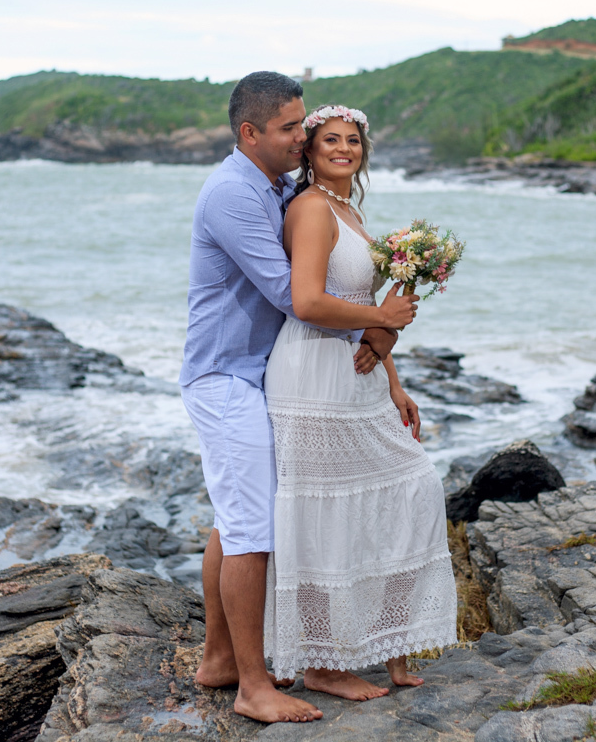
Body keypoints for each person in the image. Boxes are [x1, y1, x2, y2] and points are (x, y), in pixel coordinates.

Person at [179, 72, 417, 723]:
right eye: (291, 128)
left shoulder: (279, 185)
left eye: (302, 123)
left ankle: (220, 660)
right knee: (254, 529)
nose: (302, 135)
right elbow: (296, 297)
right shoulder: (232, 193)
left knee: (236, 518)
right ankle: (254, 689)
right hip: (226, 379)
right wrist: (380, 321)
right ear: (249, 132)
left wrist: (384, 359)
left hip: (261, 375)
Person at [262, 105, 458, 700]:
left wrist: (394, 377)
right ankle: (321, 663)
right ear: (310, 151)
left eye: (352, 141)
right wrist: (381, 318)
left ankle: (390, 641)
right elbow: (308, 301)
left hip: (359, 375)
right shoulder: (312, 208)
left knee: (412, 488)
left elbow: (367, 319)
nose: (342, 148)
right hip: (312, 374)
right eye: (329, 141)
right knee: (326, 518)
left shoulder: (350, 209)